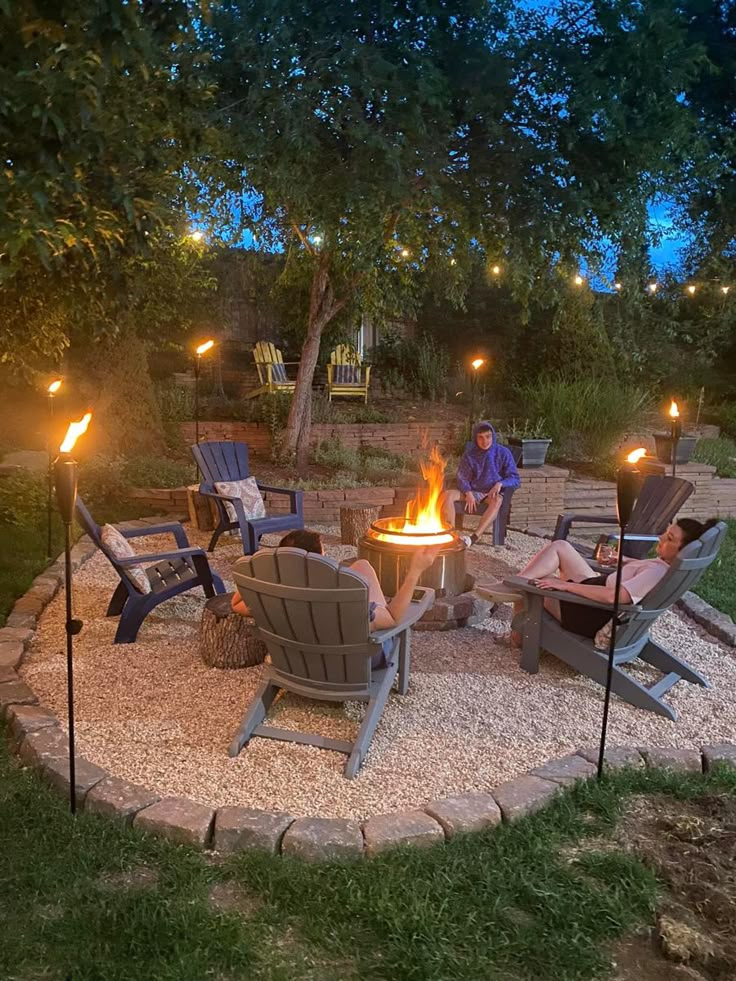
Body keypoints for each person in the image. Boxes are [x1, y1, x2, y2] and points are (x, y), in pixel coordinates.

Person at [489, 517, 719, 643]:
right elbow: (640, 576)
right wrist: (624, 560)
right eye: (666, 532)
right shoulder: (665, 566)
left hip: (591, 613)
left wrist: (565, 585)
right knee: (561, 547)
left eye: (669, 538)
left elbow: (613, 597)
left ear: (682, 550)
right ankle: (513, 584)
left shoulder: (657, 573)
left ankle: (518, 636)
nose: (661, 537)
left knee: (534, 584)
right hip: (597, 591)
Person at [232, 528, 440, 634]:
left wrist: (261, 568)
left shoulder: (273, 602)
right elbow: (393, 619)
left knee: (361, 566)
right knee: (363, 568)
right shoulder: (347, 602)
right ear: (320, 559)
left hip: (296, 660)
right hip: (346, 667)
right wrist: (415, 571)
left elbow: (235, 604)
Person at [440, 421, 520, 547]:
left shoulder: (503, 453)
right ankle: (451, 534)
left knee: (498, 500)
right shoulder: (470, 455)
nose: (485, 441)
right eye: (480, 437)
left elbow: (515, 478)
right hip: (472, 491)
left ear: (492, 436)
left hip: (490, 494)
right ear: (475, 438)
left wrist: (500, 483)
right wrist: (468, 493)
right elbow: (462, 477)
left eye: (488, 437)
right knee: (448, 495)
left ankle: (474, 537)